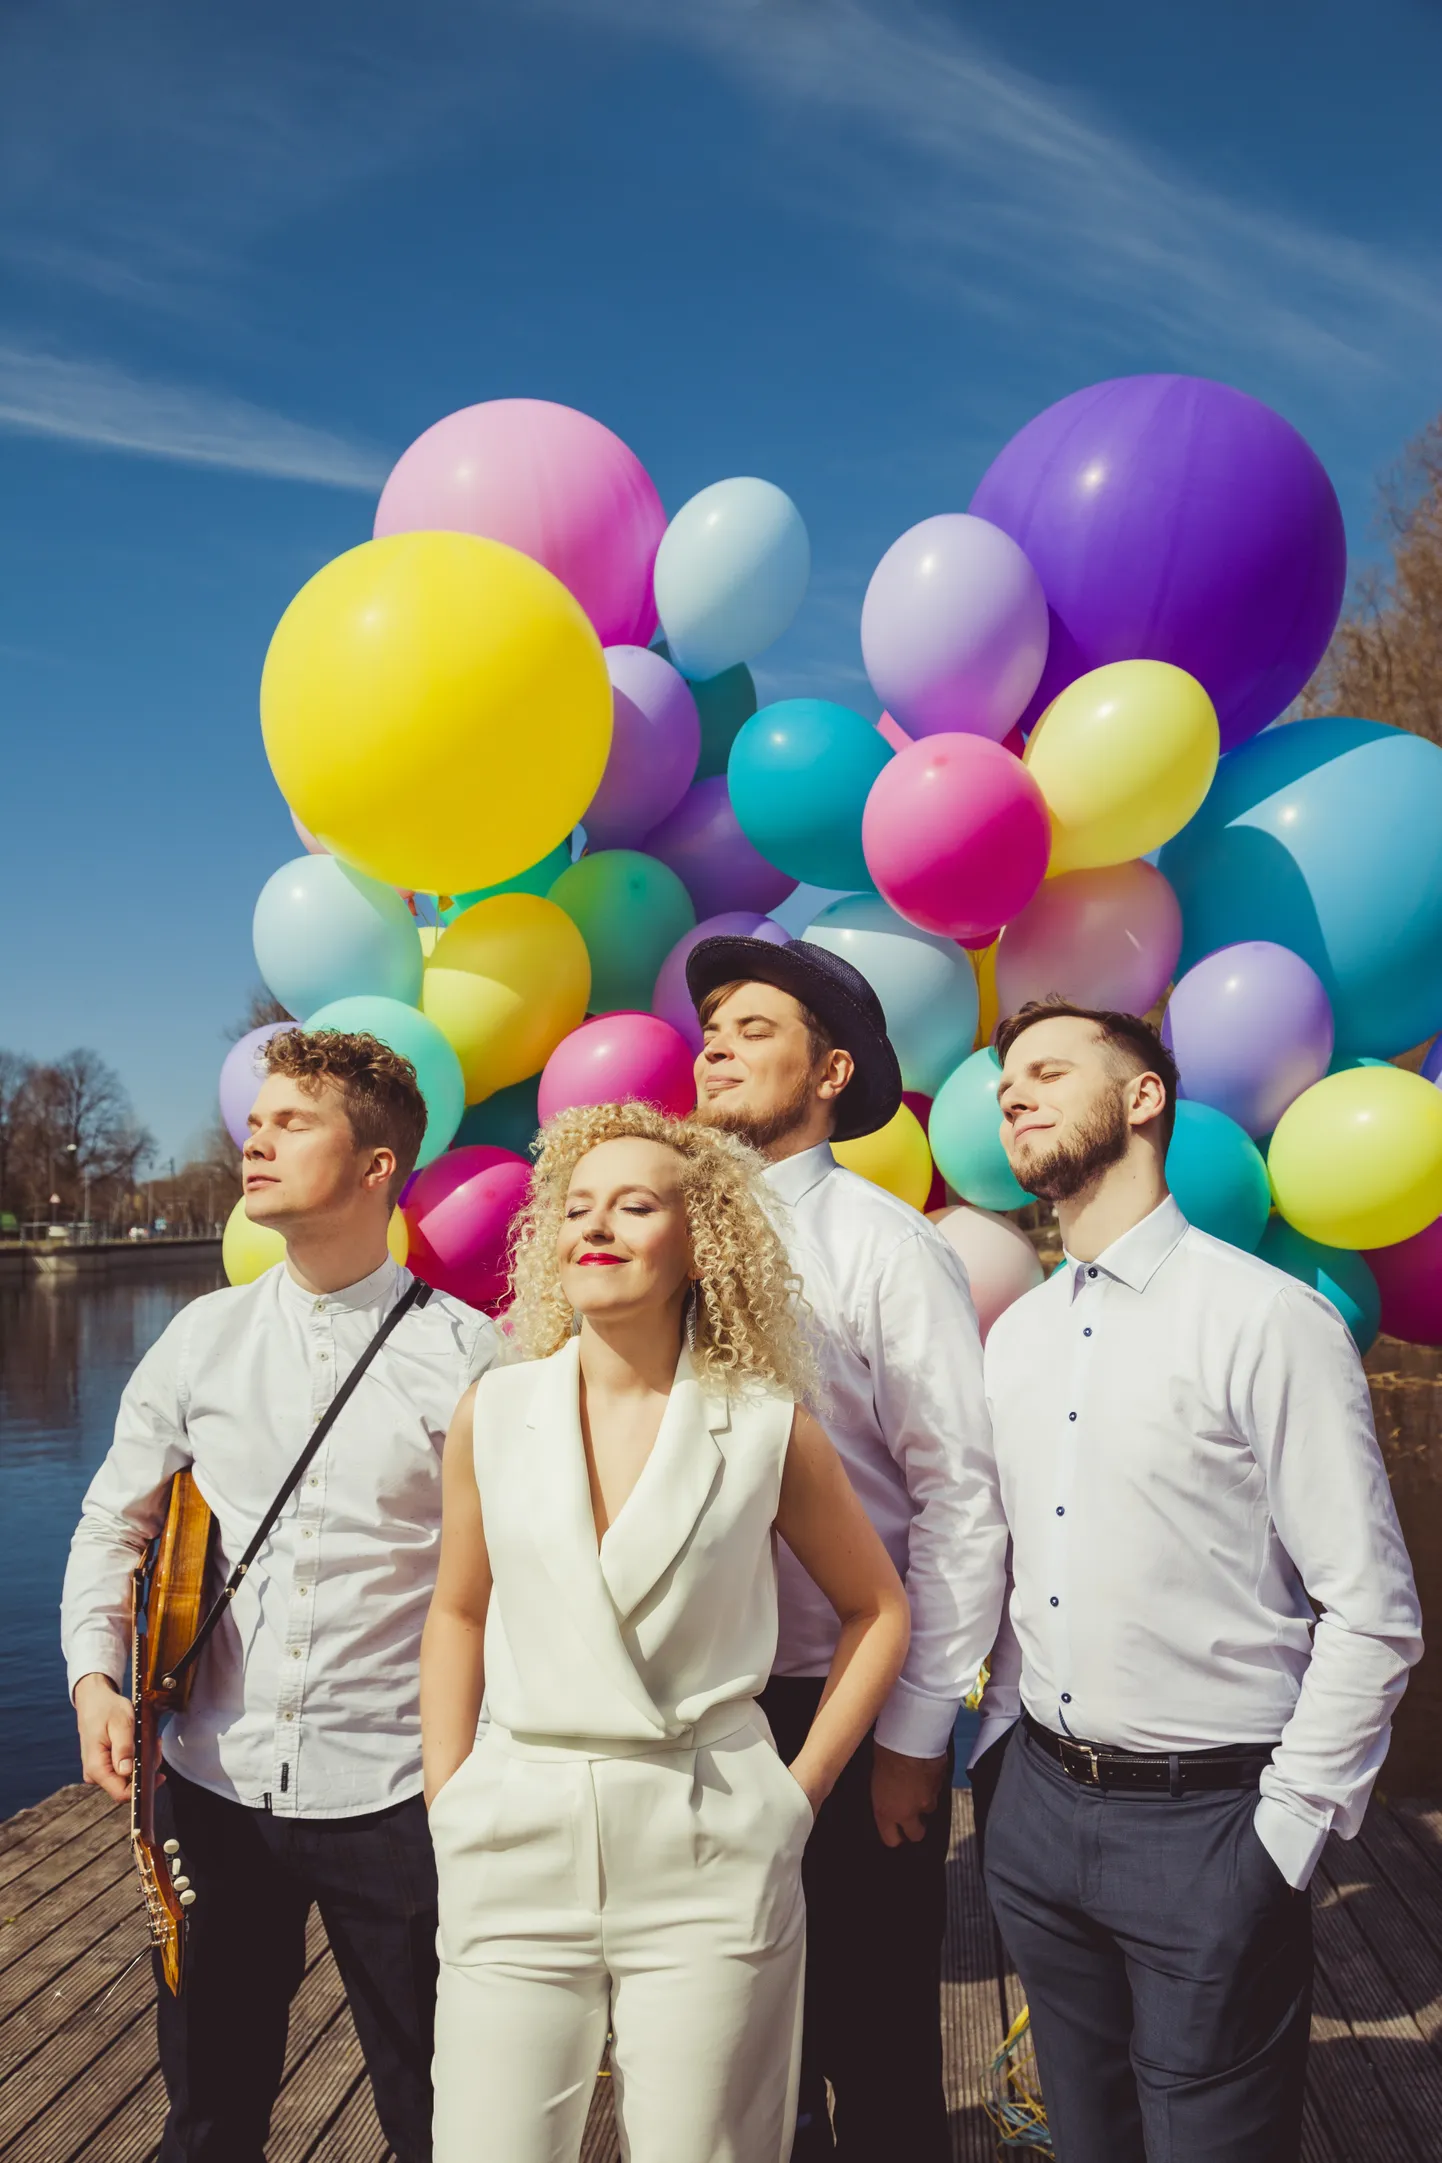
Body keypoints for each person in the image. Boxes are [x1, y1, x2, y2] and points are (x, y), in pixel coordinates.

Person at [976, 997, 1423, 2163]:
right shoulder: (1014, 1337)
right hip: (1035, 1814)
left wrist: (1282, 1835)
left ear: (1141, 1098)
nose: (1011, 1094)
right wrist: (996, 1771)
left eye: (1046, 1070)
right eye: (1003, 1081)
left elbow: (1370, 1613)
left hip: (1213, 1828)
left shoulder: (1266, 1321)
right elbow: (1021, 1566)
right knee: (1087, 2139)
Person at [421, 1100, 910, 2163]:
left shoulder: (770, 1427)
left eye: (634, 1205)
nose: (594, 1226)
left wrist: (796, 1794)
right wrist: (446, 1795)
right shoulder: (491, 1412)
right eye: (577, 1207)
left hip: (710, 1841)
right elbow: (457, 1609)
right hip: (511, 1835)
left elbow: (879, 1610)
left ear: (703, 1242)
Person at [62, 1028, 498, 2163]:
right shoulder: (199, 1339)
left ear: (375, 1169)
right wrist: (93, 1678)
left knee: (439, 2111)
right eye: (255, 1123)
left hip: (401, 1796)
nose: (255, 1140)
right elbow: (117, 1521)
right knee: (208, 2112)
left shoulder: (473, 1359)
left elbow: (516, 1589)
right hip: (211, 1787)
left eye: (292, 1123)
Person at [686, 934, 1007, 2162]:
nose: (714, 1042)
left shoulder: (886, 1248)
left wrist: (917, 1741)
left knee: (873, 2058)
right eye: (709, 1026)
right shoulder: (656, 1243)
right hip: (692, 1709)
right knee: (733, 2051)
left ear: (829, 1074)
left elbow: (958, 1500)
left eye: (750, 1028)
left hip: (850, 1706)